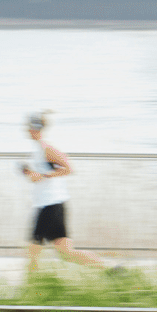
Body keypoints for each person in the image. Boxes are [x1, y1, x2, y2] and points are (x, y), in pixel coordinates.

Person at [21, 112, 110, 271]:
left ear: (36, 129)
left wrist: (42, 175)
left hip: (50, 206)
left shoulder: (47, 149)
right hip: (52, 205)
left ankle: (29, 289)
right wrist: (29, 173)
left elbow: (68, 168)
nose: (26, 130)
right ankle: (109, 270)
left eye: (28, 127)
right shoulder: (37, 150)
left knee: (33, 250)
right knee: (66, 253)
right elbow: (40, 174)